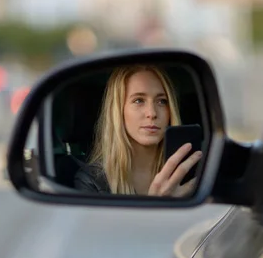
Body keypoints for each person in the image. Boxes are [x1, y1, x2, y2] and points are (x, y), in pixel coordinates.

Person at [74, 64, 203, 196]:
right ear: (118, 111)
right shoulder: (92, 181)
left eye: (162, 101)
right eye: (138, 100)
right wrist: (159, 205)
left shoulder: (193, 170)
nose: (152, 113)